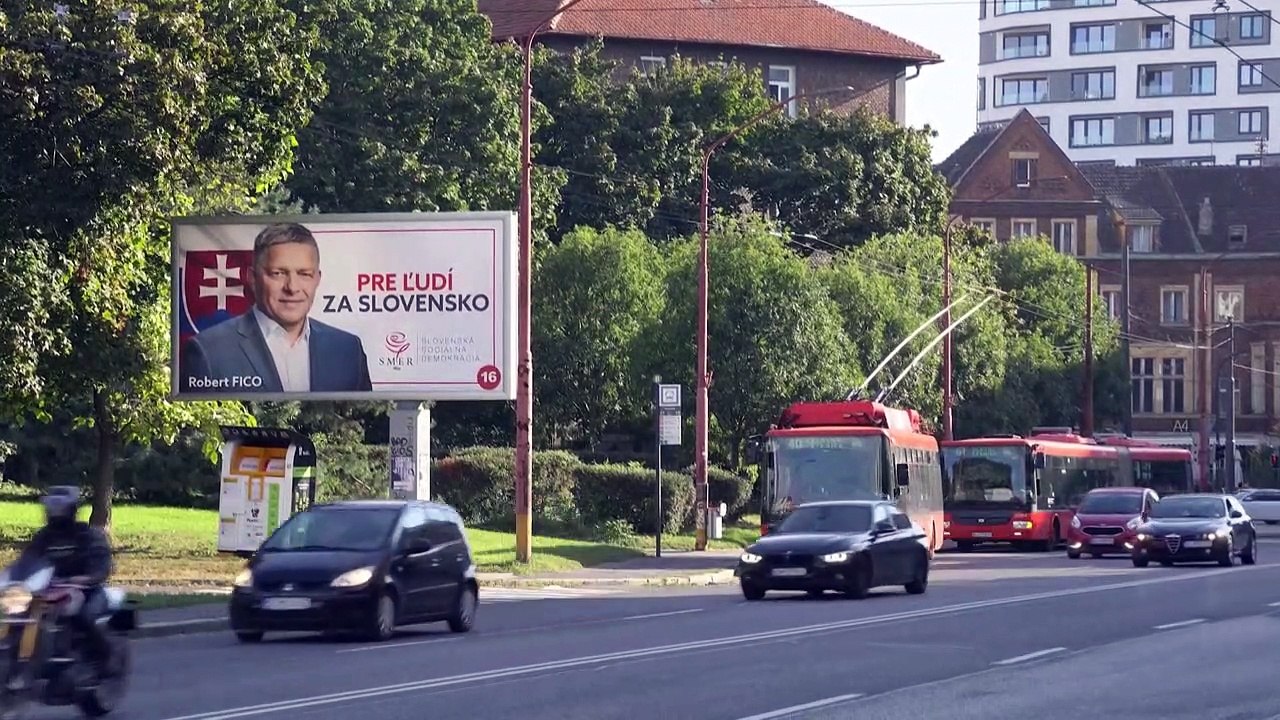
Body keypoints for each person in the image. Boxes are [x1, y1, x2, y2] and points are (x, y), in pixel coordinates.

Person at [180, 222, 374, 393]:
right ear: (252, 279)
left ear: (317, 279)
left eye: (304, 274)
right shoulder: (207, 352)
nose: (292, 287)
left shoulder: (349, 350)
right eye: (278, 273)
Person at [10, 487, 114, 680]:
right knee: (18, 613)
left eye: (61, 509)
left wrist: (87, 577)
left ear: (72, 510)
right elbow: (26, 562)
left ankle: (103, 660)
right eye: (52, 509)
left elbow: (101, 563)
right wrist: (13, 578)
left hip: (87, 590)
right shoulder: (44, 537)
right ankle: (35, 658)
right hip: (48, 590)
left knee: (82, 617)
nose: (56, 514)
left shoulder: (87, 535)